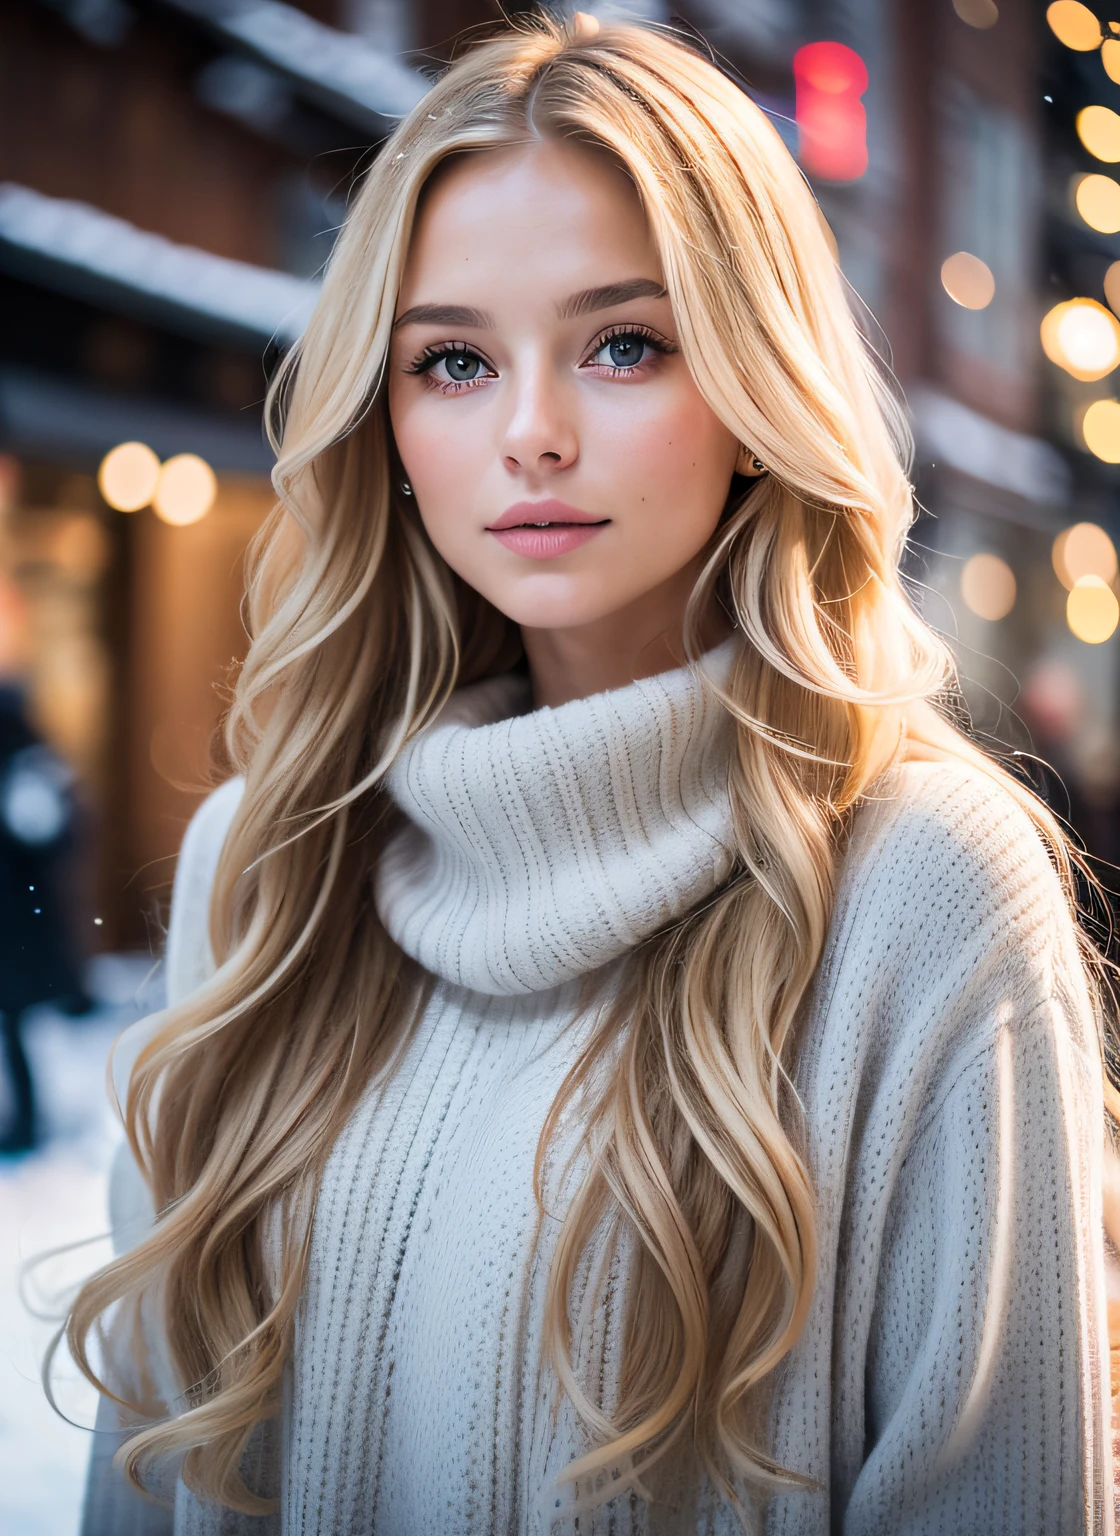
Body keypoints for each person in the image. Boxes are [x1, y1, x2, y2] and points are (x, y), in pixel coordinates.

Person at [70, 13, 1114, 1534]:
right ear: (388, 414)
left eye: (625, 343)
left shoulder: (923, 889)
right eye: (453, 361)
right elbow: (144, 1481)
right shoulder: (269, 865)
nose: (531, 433)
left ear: (758, 393)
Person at [0, 680, 85, 1153]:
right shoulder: (36, 768)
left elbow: (40, 835)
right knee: (15, 1024)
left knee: (16, 1023)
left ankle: (26, 1124)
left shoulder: (28, 772)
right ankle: (23, 1120)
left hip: (15, 922)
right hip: (18, 920)